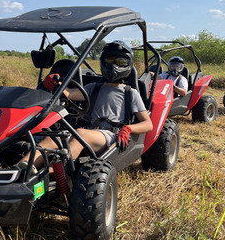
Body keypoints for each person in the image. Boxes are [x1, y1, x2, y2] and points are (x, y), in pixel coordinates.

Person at [18, 40, 153, 171]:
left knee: (81, 133)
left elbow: (148, 124)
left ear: (128, 64)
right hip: (90, 131)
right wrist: (54, 83)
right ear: (103, 61)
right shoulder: (93, 88)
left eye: (120, 61)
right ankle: (22, 166)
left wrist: (128, 128)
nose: (114, 65)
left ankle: (53, 172)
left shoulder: (130, 92)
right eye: (110, 60)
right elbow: (69, 94)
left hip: (111, 135)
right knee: (55, 137)